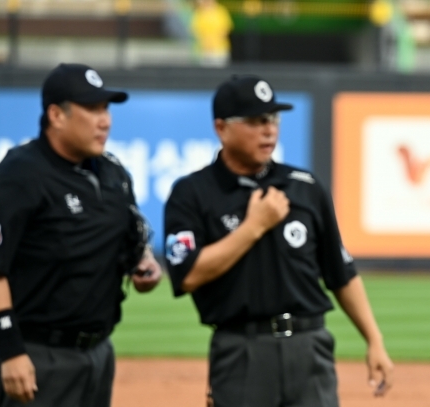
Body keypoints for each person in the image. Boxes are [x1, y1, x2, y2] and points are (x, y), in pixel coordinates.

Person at [164, 75, 394, 407]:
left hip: (309, 347)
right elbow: (187, 274)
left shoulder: (304, 187)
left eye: (273, 119)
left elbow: (340, 272)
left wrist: (374, 340)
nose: (269, 129)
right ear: (221, 128)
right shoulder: (193, 193)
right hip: (242, 350)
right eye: (255, 121)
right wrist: (253, 226)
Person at [0, 63, 162, 407]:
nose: (105, 120)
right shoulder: (20, 174)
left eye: (106, 108)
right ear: (56, 115)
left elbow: (126, 242)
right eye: (93, 108)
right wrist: (11, 352)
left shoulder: (113, 173)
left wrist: (143, 264)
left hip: (98, 356)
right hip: (37, 355)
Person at [191, 0, 234, 67]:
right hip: (204, 49)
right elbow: (195, 30)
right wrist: (205, 42)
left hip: (219, 49)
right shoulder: (199, 12)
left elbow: (226, 28)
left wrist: (215, 41)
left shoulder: (221, 11)